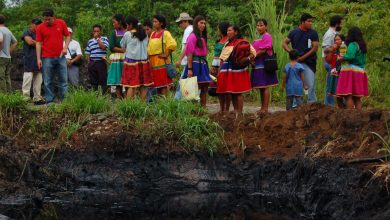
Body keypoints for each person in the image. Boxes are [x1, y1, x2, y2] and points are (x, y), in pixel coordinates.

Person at [216, 25, 255, 114]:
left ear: (236, 32)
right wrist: (219, 70)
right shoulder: (227, 43)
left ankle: (239, 113)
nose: (228, 32)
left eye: (230, 30)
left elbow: (253, 53)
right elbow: (222, 58)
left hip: (238, 70)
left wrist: (247, 59)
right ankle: (235, 111)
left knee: (238, 92)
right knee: (232, 92)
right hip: (227, 70)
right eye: (227, 31)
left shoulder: (243, 42)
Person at [36, 8, 70, 103]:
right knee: (47, 81)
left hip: (60, 56)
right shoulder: (40, 27)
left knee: (63, 80)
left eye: (48, 19)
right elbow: (38, 43)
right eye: (44, 19)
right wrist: (38, 59)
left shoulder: (61, 23)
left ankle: (65, 101)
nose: (46, 21)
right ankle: (50, 101)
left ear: (53, 17)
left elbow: (68, 35)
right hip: (46, 57)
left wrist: (65, 47)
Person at [283, 13, 319, 103]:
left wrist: (303, 57)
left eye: (311, 21)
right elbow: (284, 43)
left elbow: (315, 48)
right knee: (296, 84)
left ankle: (312, 104)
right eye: (309, 21)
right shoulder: (294, 32)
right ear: (302, 22)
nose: (311, 23)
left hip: (309, 62)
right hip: (296, 63)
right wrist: (291, 52)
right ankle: (296, 106)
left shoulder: (313, 33)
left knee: (310, 84)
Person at [182, 15, 212, 107]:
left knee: (204, 87)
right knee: (193, 88)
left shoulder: (202, 37)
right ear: (196, 24)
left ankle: (203, 108)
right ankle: (193, 110)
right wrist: (190, 69)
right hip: (195, 64)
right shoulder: (192, 36)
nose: (203, 25)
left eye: (204, 23)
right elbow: (189, 54)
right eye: (201, 23)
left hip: (202, 64)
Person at [120, 16, 153, 101]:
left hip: (131, 62)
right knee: (143, 85)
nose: (126, 27)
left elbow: (122, 45)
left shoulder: (128, 34)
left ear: (131, 25)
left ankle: (129, 106)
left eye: (127, 25)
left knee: (132, 85)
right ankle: (142, 106)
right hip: (144, 62)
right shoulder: (144, 33)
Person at [335, 27, 368, 110]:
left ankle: (350, 116)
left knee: (348, 95)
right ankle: (359, 116)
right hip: (360, 71)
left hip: (350, 71)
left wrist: (341, 58)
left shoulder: (353, 44)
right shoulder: (362, 45)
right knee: (357, 97)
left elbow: (350, 56)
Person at [251, 18, 278, 113]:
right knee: (261, 87)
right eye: (258, 25)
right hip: (257, 65)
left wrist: (252, 57)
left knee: (265, 86)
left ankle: (265, 108)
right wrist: (251, 60)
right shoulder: (258, 37)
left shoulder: (267, 36)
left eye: (261, 25)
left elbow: (263, 50)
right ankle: (262, 107)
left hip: (264, 64)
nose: (259, 27)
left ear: (266, 26)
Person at [147, 15, 177, 96]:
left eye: (155, 22)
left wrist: (166, 54)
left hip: (162, 62)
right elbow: (149, 48)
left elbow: (172, 44)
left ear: (161, 23)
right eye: (153, 22)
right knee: (155, 85)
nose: (154, 23)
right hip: (153, 63)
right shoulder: (152, 34)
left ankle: (165, 103)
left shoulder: (165, 33)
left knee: (163, 85)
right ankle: (157, 105)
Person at [21, 18, 44, 104]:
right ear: (32, 24)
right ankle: (25, 97)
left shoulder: (41, 33)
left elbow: (45, 44)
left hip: (39, 59)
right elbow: (29, 41)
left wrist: (38, 43)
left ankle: (37, 98)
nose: (37, 26)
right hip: (29, 58)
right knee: (28, 77)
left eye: (38, 24)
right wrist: (39, 43)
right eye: (36, 24)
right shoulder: (27, 32)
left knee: (38, 79)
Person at [322, 15, 343, 106]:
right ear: (337, 23)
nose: (342, 25)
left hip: (335, 61)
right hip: (330, 61)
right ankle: (329, 104)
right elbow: (326, 49)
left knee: (333, 82)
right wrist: (333, 48)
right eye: (341, 23)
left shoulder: (334, 33)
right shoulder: (330, 34)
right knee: (331, 83)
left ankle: (331, 104)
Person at [210, 21, 230, 112]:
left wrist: (219, 68)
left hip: (223, 64)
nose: (217, 30)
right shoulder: (219, 40)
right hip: (215, 63)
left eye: (218, 28)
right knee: (219, 87)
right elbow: (215, 54)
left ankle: (227, 109)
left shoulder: (228, 40)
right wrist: (213, 66)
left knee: (225, 87)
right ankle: (222, 108)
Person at [85, 24, 109, 93]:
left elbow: (103, 47)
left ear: (101, 32)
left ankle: (104, 97)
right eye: (94, 31)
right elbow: (88, 53)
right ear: (92, 32)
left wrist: (98, 39)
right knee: (93, 82)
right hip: (92, 63)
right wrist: (89, 63)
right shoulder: (90, 41)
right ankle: (95, 97)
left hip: (101, 62)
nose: (96, 33)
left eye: (97, 31)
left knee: (103, 81)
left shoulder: (104, 39)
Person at [174, 12, 193, 100]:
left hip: (188, 61)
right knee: (189, 83)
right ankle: (189, 101)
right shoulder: (191, 29)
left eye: (180, 23)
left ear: (185, 21)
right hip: (191, 60)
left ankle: (176, 102)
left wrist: (179, 60)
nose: (180, 25)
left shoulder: (188, 30)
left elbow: (186, 46)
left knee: (182, 82)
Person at [107, 14, 126, 99]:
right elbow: (111, 47)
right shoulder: (113, 33)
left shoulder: (127, 32)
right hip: (118, 58)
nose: (113, 24)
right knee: (118, 78)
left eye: (114, 22)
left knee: (126, 77)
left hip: (127, 58)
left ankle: (127, 98)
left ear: (120, 22)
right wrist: (123, 50)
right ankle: (119, 97)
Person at [324, 34, 344, 108]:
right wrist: (331, 50)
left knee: (342, 91)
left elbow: (341, 58)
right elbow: (328, 60)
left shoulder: (343, 46)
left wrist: (331, 50)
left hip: (342, 71)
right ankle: (340, 108)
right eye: (335, 40)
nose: (336, 41)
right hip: (335, 72)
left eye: (338, 39)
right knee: (337, 92)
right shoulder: (334, 49)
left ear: (342, 40)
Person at [0, 15, 18, 93]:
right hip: (7, 57)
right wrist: (8, 51)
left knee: (1, 77)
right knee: (7, 76)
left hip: (1, 57)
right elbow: (15, 42)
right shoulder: (7, 30)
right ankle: (9, 96)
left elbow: (0, 40)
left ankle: (2, 95)